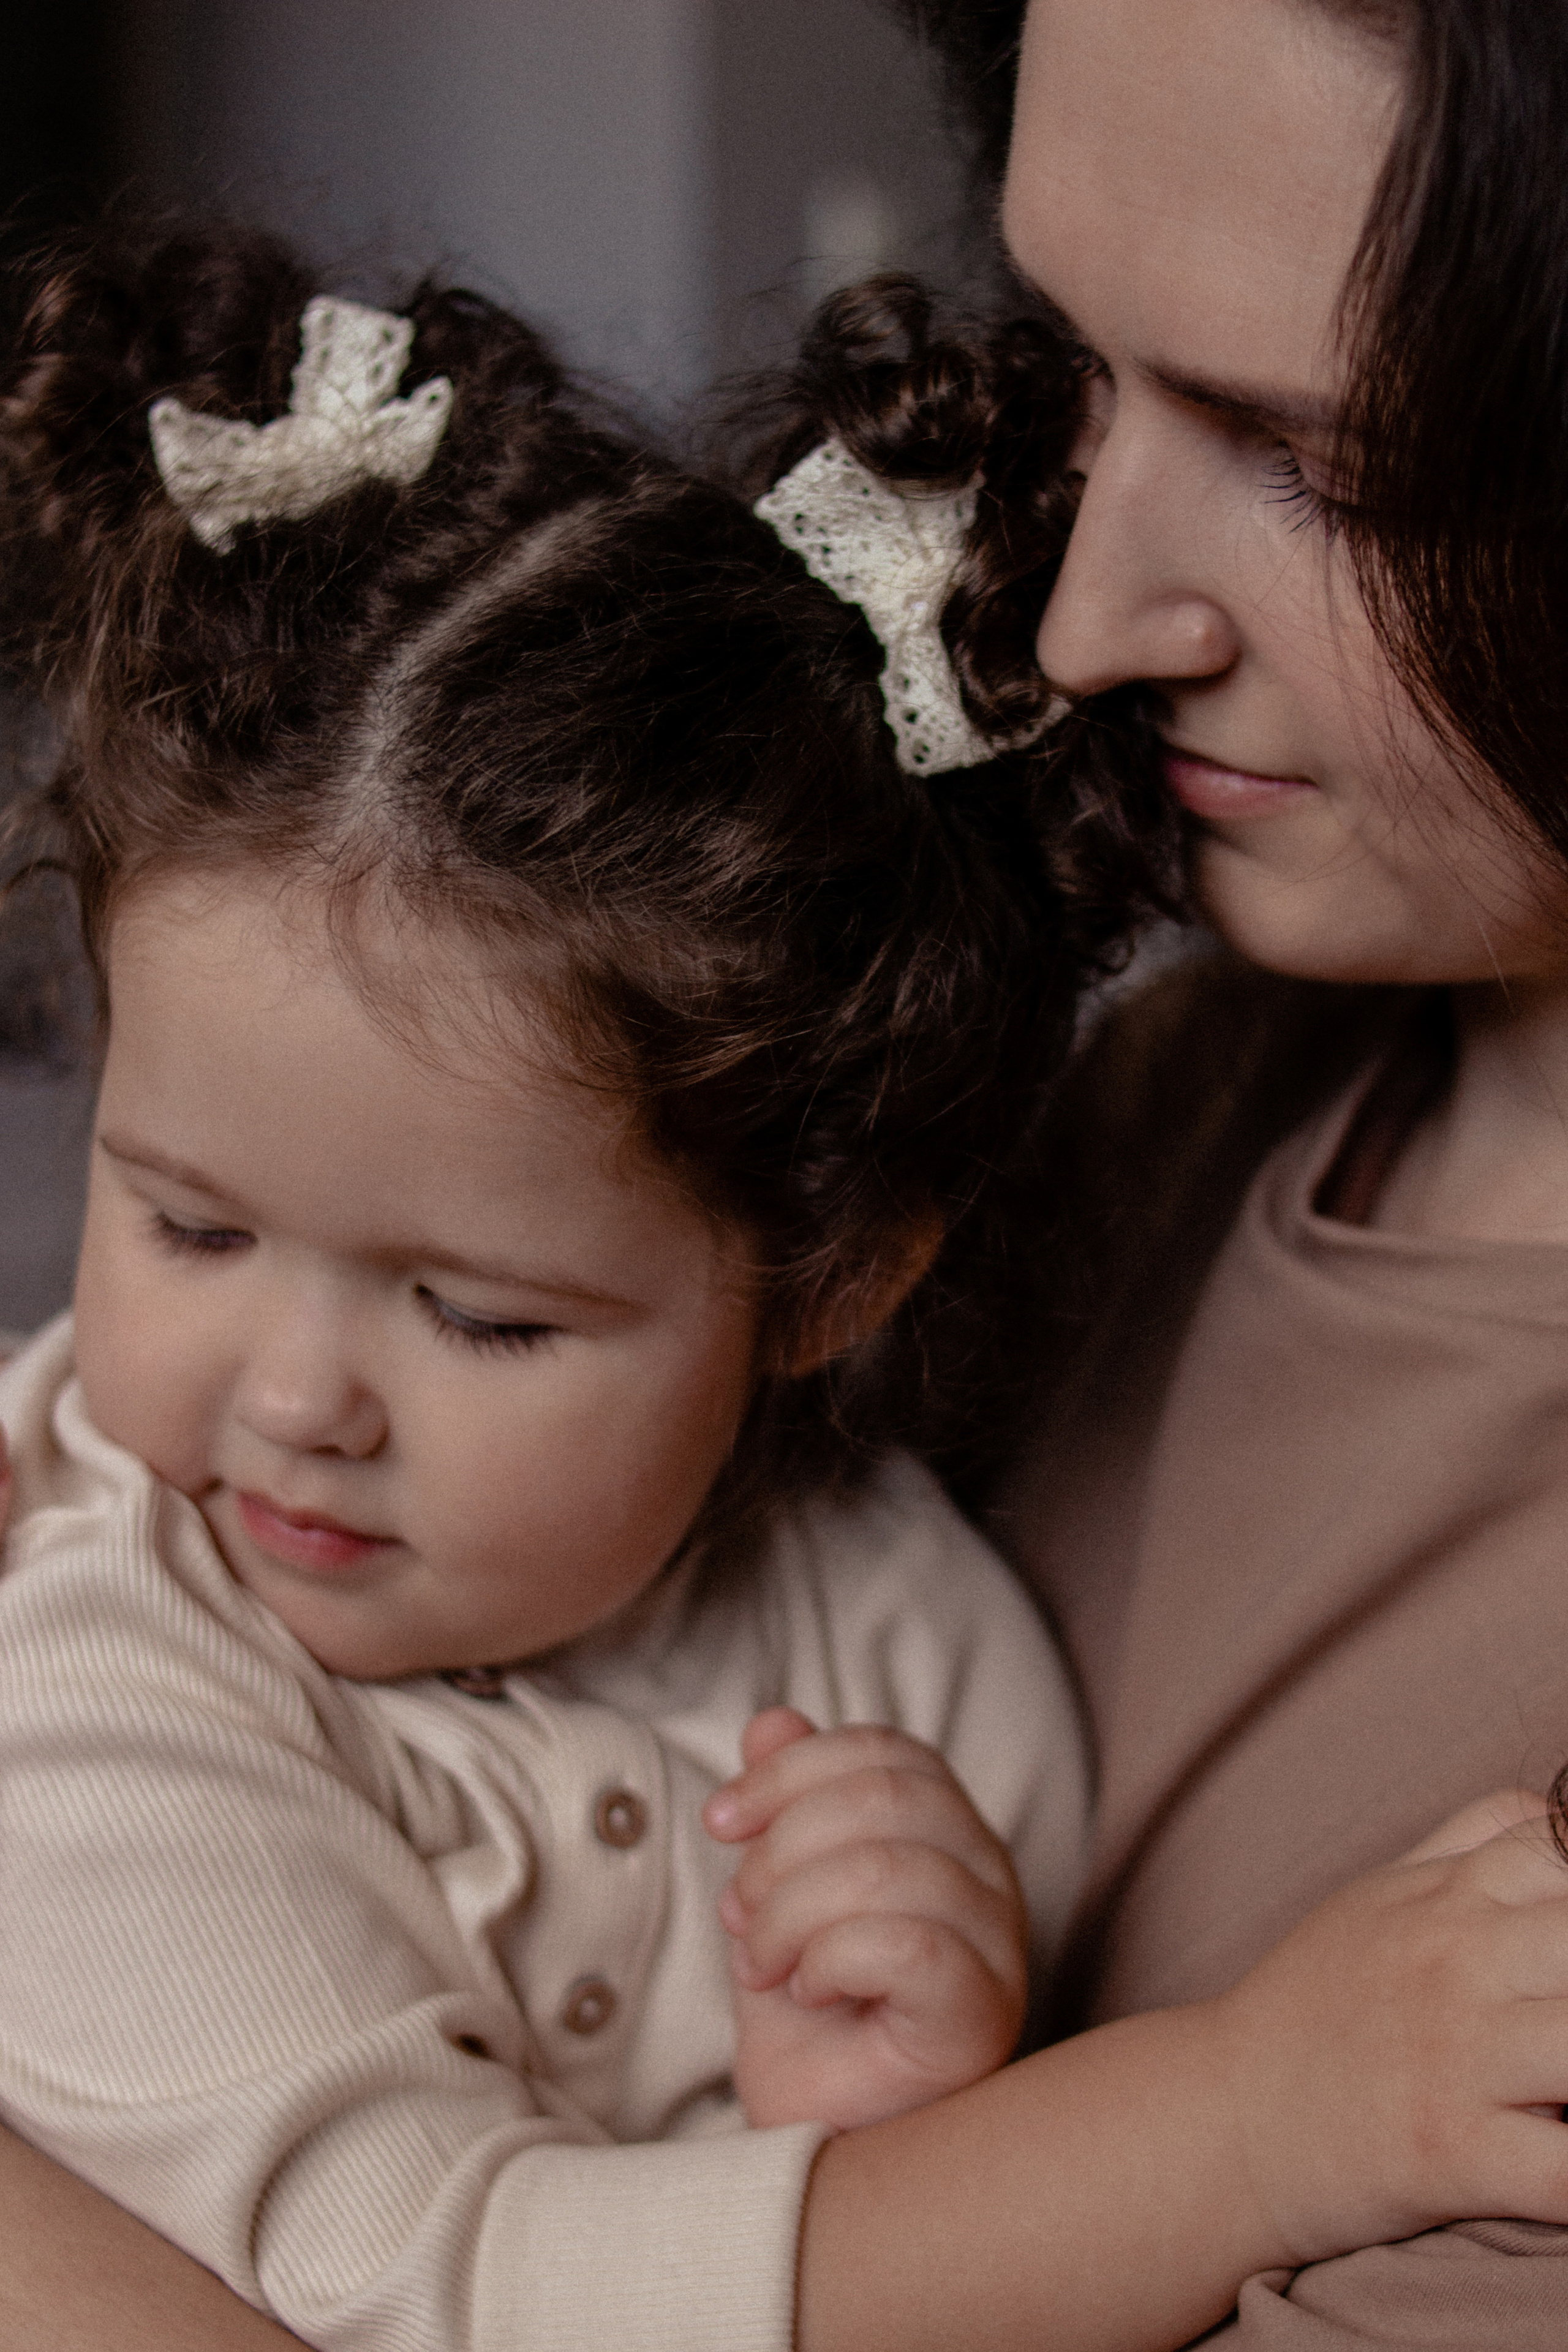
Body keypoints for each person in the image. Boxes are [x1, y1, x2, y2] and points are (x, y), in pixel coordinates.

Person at [8, 0, 1568, 2341]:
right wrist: (1247, 2115)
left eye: (1313, 457)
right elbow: (453, 2285)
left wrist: (893, 2116)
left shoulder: (908, 1643)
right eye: (191, 1222)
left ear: (835, 1280)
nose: (1081, 622)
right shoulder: (102, 1675)